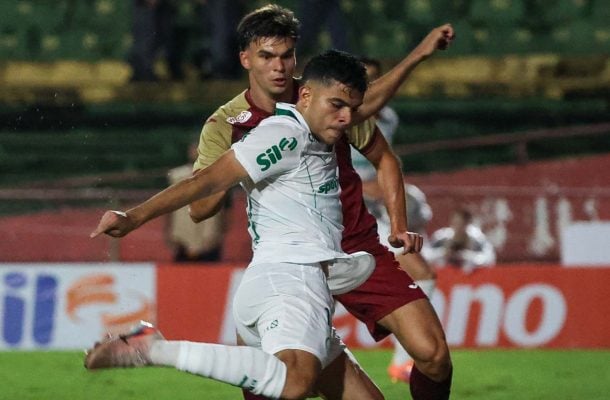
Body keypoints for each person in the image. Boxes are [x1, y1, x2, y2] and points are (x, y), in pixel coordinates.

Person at [85, 50, 395, 400]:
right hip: (291, 281)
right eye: (337, 105)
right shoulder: (284, 134)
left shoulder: (314, 134)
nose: (346, 117)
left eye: (352, 108)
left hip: (285, 284)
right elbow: (206, 180)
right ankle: (153, 349)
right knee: (295, 382)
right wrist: (133, 217)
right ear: (306, 95)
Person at [188, 4, 455, 399]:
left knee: (433, 355)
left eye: (287, 56)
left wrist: (398, 224)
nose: (279, 67)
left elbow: (384, 156)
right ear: (245, 59)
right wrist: (238, 167)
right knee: (278, 385)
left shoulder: (328, 98)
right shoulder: (226, 124)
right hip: (290, 261)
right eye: (266, 56)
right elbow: (199, 209)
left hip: (355, 247)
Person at [352, 56, 437, 384]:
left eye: (375, 78)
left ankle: (402, 362)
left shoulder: (388, 119)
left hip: (373, 212)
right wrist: (363, 186)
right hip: (343, 208)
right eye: (364, 79)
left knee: (422, 275)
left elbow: (383, 162)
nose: (371, 86)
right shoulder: (337, 116)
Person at [166, 141, 226, 262]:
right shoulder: (177, 176)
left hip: (209, 238)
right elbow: (169, 207)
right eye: (195, 149)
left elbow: (225, 209)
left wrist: (219, 234)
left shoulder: (220, 176)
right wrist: (170, 231)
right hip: (183, 238)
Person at [424, 207, 496, 274]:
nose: (458, 227)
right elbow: (425, 255)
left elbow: (489, 258)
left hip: (470, 277)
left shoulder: (477, 239)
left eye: (462, 224)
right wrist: (443, 253)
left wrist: (468, 256)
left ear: (468, 224)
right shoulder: (442, 237)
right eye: (456, 223)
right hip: (443, 276)